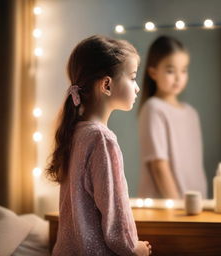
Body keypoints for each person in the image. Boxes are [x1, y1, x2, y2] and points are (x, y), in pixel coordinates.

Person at [46, 35, 152, 256]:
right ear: (106, 84)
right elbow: (114, 210)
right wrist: (132, 248)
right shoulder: (101, 139)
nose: (138, 88)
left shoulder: (76, 132)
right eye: (132, 78)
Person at [138, 35, 207, 199]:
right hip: (168, 209)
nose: (178, 78)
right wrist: (177, 205)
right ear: (153, 72)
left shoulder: (191, 113)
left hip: (196, 205)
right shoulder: (154, 108)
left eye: (183, 70)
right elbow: (159, 166)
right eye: (170, 70)